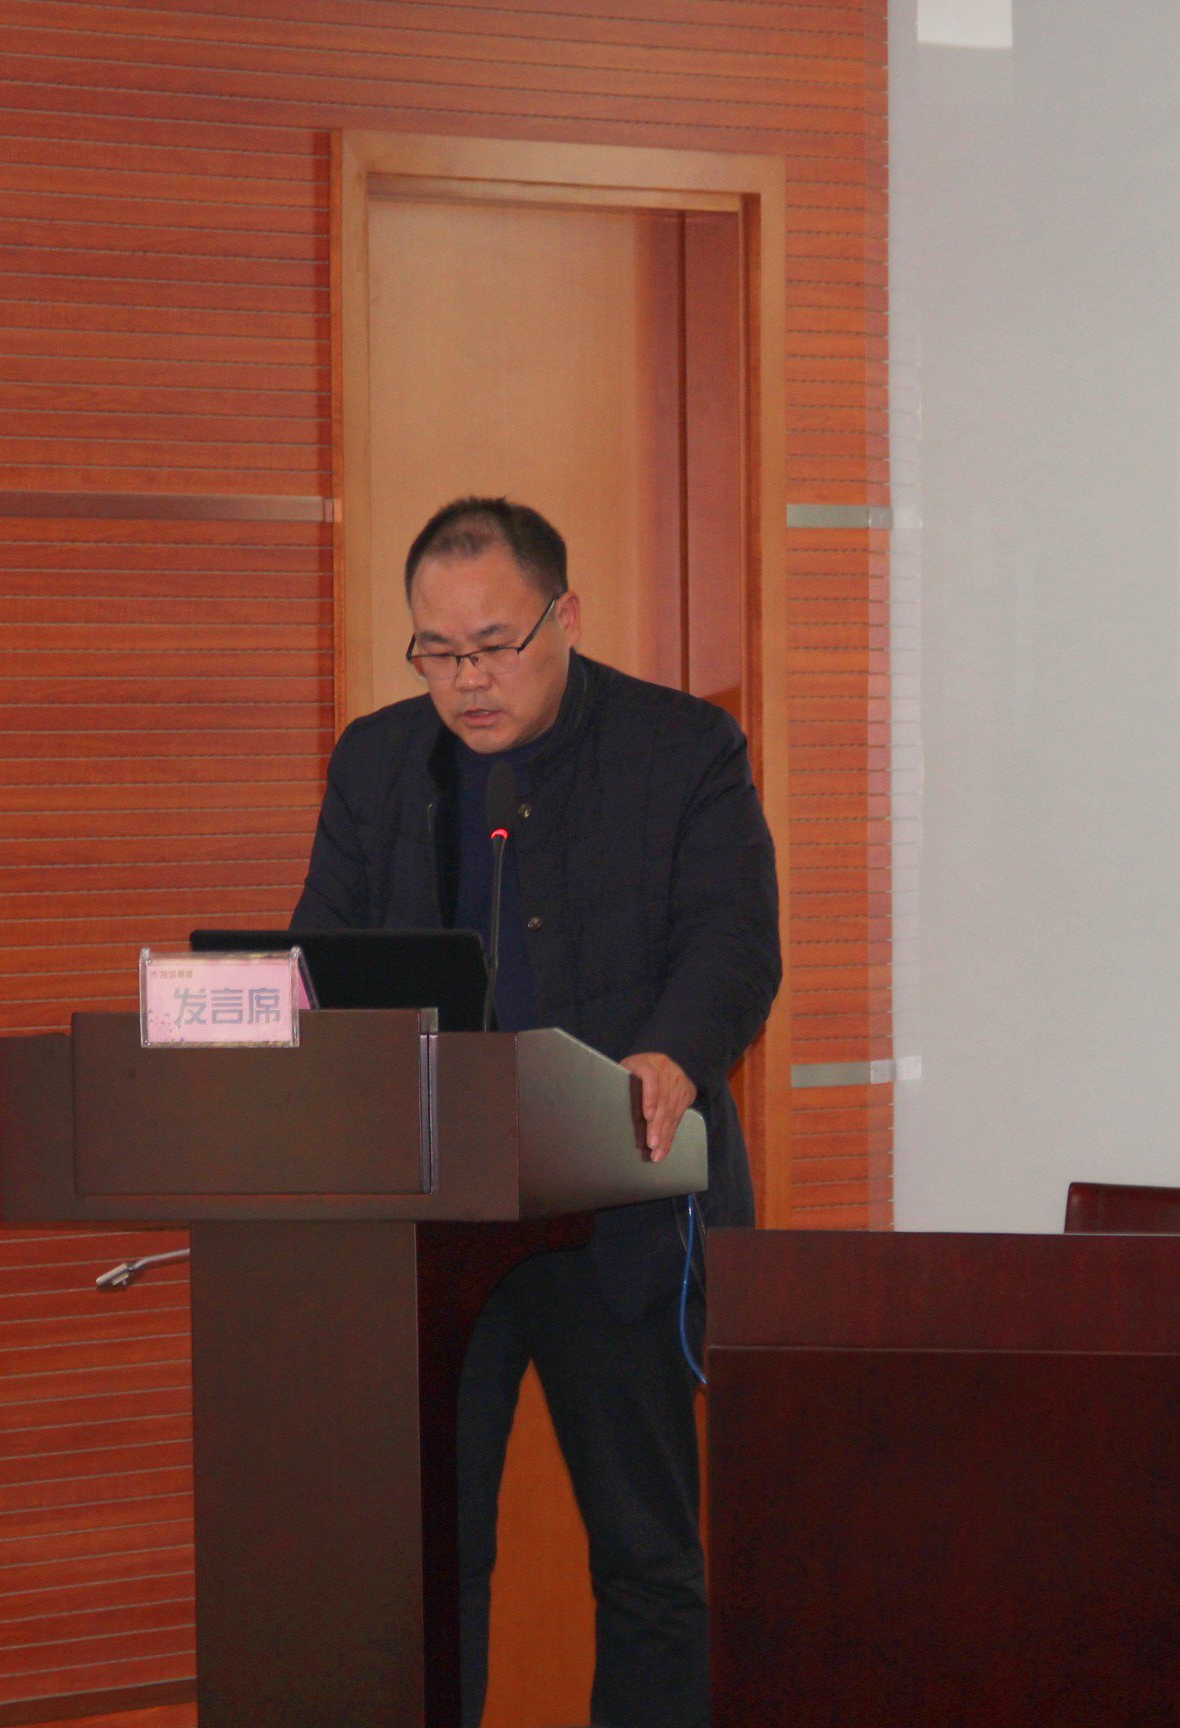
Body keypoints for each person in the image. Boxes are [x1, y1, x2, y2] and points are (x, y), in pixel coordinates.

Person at [291, 497, 781, 1728]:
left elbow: (733, 942)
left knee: (648, 1557)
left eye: (494, 646)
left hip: (617, 1205)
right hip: (431, 1224)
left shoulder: (683, 751)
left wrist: (674, 1053)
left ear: (565, 616)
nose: (468, 681)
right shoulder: (379, 762)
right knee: (428, 1561)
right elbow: (319, 959)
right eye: (437, 651)